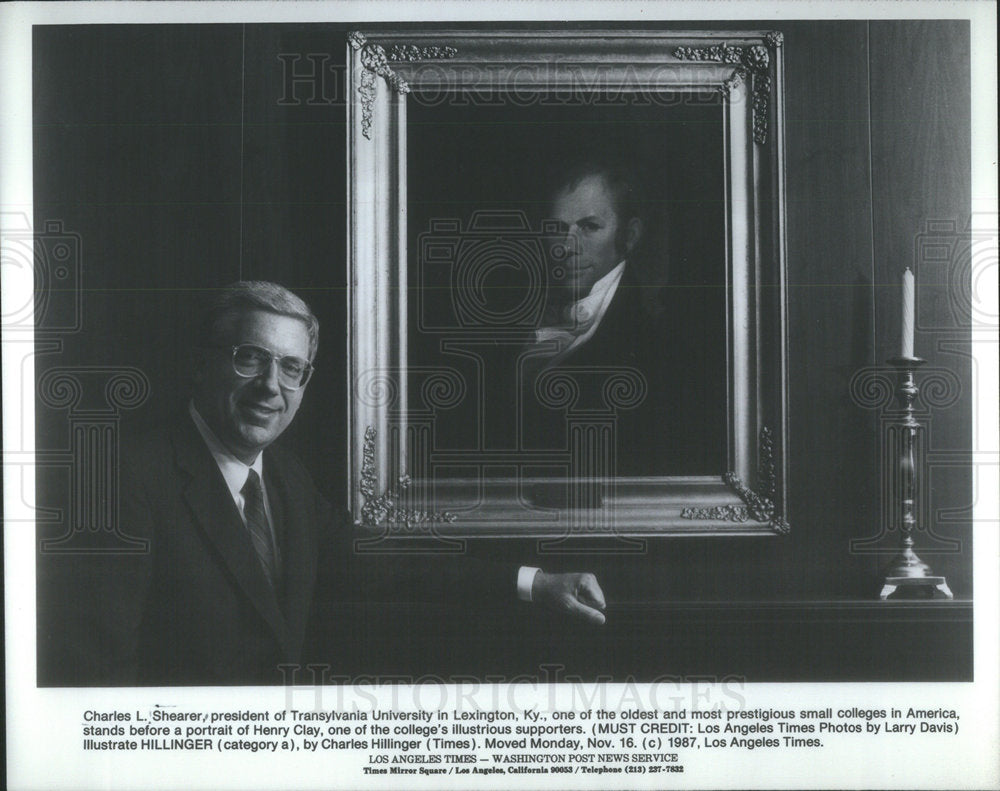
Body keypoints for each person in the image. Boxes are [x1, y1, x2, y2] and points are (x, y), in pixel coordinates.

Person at [44, 281, 606, 686]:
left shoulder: (284, 478)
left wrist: (536, 582)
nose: (271, 386)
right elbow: (95, 682)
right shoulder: (124, 480)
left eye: (291, 368)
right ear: (200, 364)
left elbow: (384, 563)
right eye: (250, 358)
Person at [522, 160, 679, 476]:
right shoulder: (534, 316)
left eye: (589, 227)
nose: (566, 247)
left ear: (629, 236)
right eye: (558, 229)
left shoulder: (652, 344)